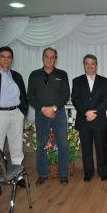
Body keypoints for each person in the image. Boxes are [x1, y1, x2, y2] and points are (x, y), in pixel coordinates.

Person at [0, 46, 28, 196]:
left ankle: (18, 176)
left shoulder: (16, 76)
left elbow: (23, 95)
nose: (6, 59)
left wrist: (22, 112)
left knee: (17, 147)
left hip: (16, 114)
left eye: (9, 57)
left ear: (12, 59)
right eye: (3, 56)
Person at [28, 47, 70, 186]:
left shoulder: (62, 74)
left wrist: (53, 108)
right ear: (42, 58)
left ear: (56, 59)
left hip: (59, 114)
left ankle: (63, 174)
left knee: (63, 145)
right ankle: (42, 174)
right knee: (41, 145)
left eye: (52, 57)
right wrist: (43, 109)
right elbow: (30, 96)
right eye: (47, 56)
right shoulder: (34, 75)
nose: (49, 59)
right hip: (41, 114)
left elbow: (65, 94)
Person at [71, 54, 107, 182]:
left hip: (99, 120)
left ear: (96, 65)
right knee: (86, 150)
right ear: (84, 65)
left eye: (92, 63)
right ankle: (88, 172)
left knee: (101, 149)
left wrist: (95, 112)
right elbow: (75, 99)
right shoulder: (77, 81)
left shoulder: (105, 81)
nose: (90, 66)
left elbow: (106, 100)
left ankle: (103, 172)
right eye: (87, 63)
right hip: (84, 120)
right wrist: (86, 112)